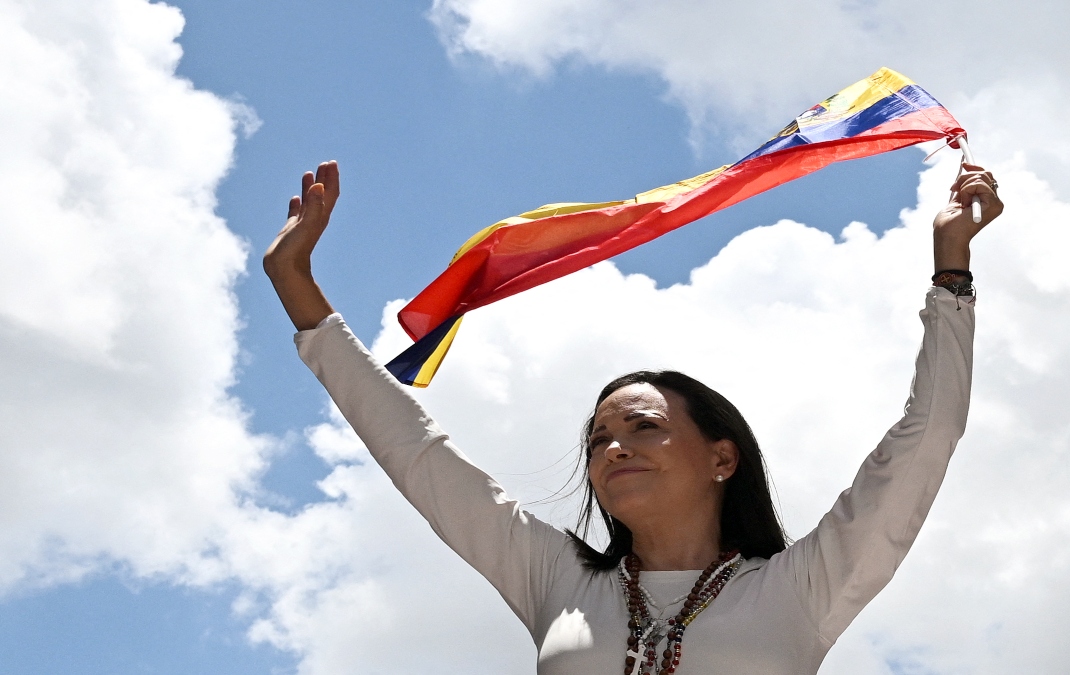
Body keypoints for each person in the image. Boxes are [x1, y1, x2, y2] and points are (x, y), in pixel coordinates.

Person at [263, 159, 1003, 674]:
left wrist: (951, 269)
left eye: (645, 425)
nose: (615, 446)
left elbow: (927, 434)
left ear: (722, 456)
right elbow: (415, 451)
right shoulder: (555, 577)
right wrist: (297, 286)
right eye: (599, 439)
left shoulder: (799, 589)